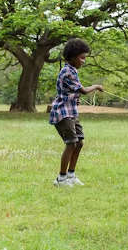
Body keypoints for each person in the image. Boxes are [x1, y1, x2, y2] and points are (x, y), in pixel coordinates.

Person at [50, 38, 103, 187]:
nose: (84, 61)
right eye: (82, 57)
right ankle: (61, 179)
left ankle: (71, 175)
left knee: (79, 143)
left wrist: (74, 99)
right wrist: (96, 86)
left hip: (71, 112)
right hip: (63, 113)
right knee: (71, 143)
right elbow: (84, 90)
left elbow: (70, 92)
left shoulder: (73, 70)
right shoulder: (68, 72)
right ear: (72, 57)